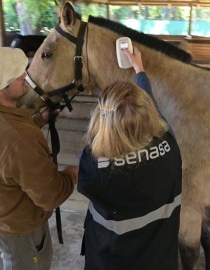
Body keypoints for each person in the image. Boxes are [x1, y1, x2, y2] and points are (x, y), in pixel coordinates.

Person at [0, 47, 78, 270]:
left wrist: (37, 120)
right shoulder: (19, 139)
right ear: (0, 89)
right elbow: (51, 196)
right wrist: (73, 172)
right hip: (21, 228)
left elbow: (5, 148)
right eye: (17, 74)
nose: (25, 75)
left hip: (0, 216)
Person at [77, 46, 182, 269]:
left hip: (109, 262)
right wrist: (139, 70)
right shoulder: (170, 144)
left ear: (100, 120)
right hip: (161, 261)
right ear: (151, 116)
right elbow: (153, 108)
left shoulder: (93, 162)